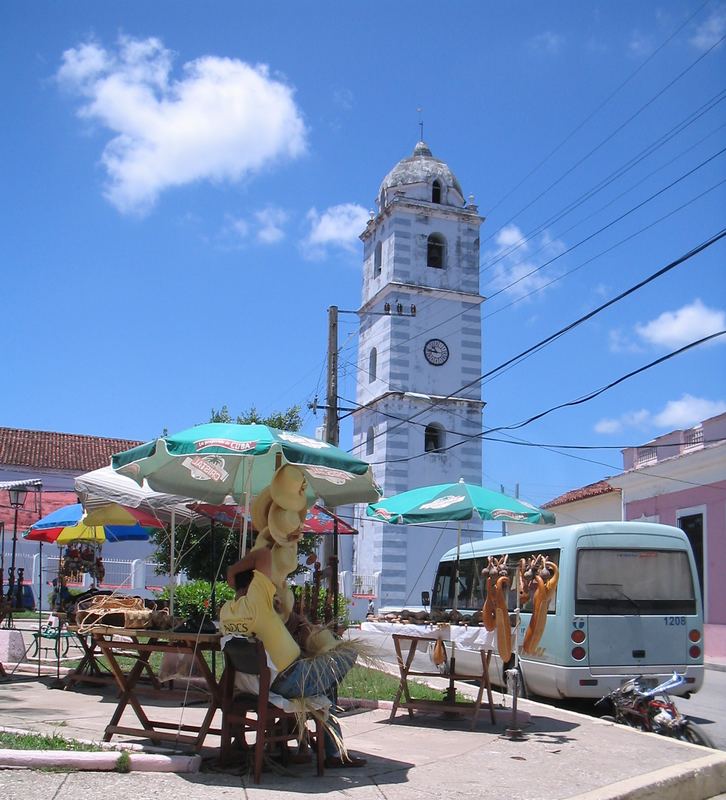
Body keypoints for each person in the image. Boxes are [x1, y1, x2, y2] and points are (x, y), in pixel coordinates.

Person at [220, 547, 366, 768]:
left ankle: (319, 745)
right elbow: (263, 554)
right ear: (254, 585)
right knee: (347, 654)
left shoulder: (227, 612)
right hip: (286, 682)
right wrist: (233, 570)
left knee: (325, 686)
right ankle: (329, 751)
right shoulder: (257, 601)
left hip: (254, 685)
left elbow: (268, 630)